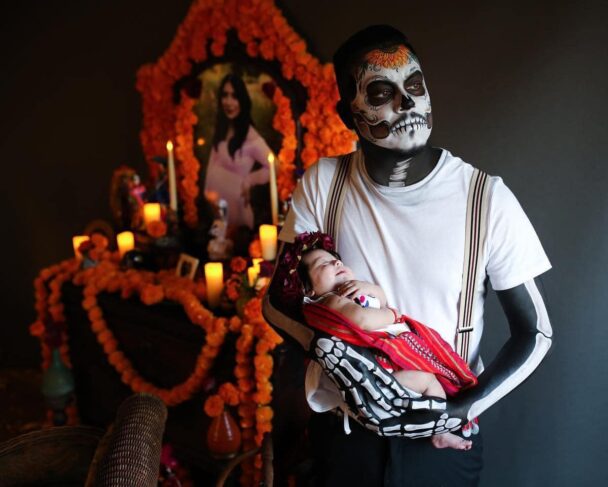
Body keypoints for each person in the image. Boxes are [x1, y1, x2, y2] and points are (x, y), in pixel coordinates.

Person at [265, 25, 554, 486]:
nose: (406, 103)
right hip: (345, 437)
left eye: (414, 85)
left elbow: (535, 332)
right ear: (347, 114)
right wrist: (348, 366)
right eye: (381, 92)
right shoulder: (325, 182)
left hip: (440, 449)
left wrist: (458, 410)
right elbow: (276, 301)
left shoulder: (484, 198)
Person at [298, 242, 478, 450]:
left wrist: (371, 289)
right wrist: (393, 315)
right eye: (324, 264)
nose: (336, 262)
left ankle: (437, 428)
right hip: (379, 380)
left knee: (432, 383)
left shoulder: (352, 294)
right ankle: (440, 433)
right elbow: (363, 320)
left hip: (388, 373)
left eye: (337, 259)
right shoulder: (329, 302)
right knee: (428, 381)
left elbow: (379, 302)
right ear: (309, 289)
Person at [204, 73, 272, 234]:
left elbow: (275, 166)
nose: (228, 102)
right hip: (218, 217)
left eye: (234, 96)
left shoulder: (250, 135)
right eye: (225, 95)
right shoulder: (221, 130)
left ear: (242, 100)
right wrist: (209, 196)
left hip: (239, 218)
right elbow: (211, 169)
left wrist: (249, 180)